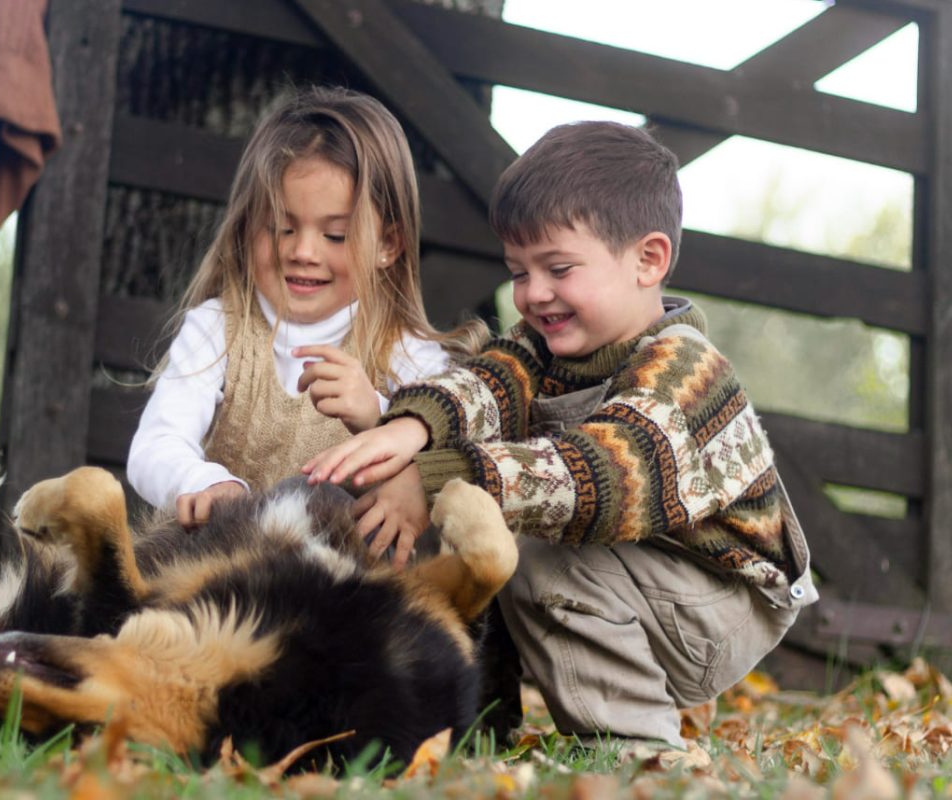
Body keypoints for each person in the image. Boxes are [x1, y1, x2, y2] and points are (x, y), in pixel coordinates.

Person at [303, 120, 818, 747]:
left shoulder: (686, 372)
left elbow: (599, 477)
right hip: (642, 576)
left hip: (722, 602)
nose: (534, 294)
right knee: (483, 529)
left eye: (559, 268)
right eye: (518, 272)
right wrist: (412, 431)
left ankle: (637, 751)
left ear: (648, 260)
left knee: (528, 542)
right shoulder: (542, 348)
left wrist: (435, 479)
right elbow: (488, 384)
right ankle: (476, 724)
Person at [127, 86, 481, 529]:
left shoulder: (405, 352)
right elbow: (156, 443)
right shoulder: (217, 328)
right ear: (248, 225)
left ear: (387, 245)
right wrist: (202, 481)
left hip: (343, 566)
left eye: (335, 236)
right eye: (281, 227)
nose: (303, 252)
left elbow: (454, 462)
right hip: (229, 558)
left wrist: (379, 415)